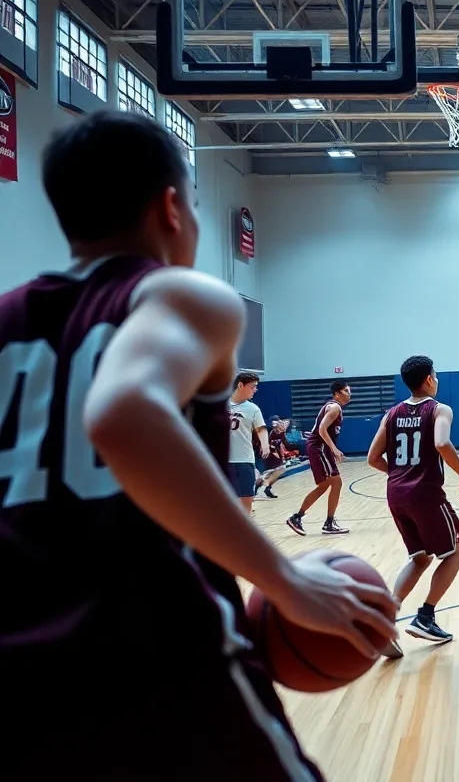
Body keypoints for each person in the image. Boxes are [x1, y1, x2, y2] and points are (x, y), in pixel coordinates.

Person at [0, 110, 396, 780]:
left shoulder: (6, 319)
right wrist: (284, 577)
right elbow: (124, 413)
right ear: (172, 207)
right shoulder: (178, 294)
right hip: (156, 661)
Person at [368, 355, 459, 650]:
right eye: (436, 376)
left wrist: (400, 473)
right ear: (429, 379)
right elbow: (441, 443)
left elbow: (372, 458)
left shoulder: (391, 414)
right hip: (425, 494)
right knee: (456, 551)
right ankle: (425, 617)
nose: (437, 380)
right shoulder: (440, 410)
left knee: (421, 557)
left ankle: (384, 621)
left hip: (396, 495)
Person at [287, 380, 351, 536]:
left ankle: (300, 517)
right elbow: (322, 429)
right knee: (335, 482)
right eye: (347, 391)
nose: (350, 394)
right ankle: (324, 522)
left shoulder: (334, 407)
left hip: (320, 448)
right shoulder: (335, 407)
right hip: (319, 447)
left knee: (328, 485)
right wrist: (334, 449)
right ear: (337, 394)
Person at [228, 371, 269, 515]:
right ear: (240, 385)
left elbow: (261, 429)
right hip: (222, 460)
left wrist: (265, 445)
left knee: (247, 498)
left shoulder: (253, 409)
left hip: (244, 459)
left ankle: (243, 525)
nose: (255, 390)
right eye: (253, 387)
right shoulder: (220, 405)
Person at [256, 417, 295, 498]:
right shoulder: (272, 432)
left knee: (275, 472)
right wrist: (274, 452)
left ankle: (264, 487)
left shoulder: (282, 433)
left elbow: (286, 444)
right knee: (278, 470)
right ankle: (265, 486)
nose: (285, 425)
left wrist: (295, 448)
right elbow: (266, 443)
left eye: (287, 424)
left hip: (276, 454)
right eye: (283, 423)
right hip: (268, 453)